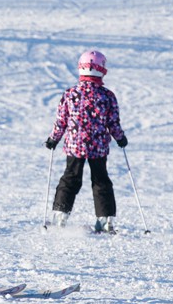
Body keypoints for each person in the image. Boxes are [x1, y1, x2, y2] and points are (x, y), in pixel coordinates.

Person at [45, 50, 128, 234]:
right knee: (101, 181)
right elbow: (112, 122)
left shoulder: (70, 94)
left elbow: (61, 121)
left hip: (75, 147)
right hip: (98, 148)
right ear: (102, 70)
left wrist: (53, 139)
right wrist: (120, 137)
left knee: (70, 179)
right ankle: (104, 220)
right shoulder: (107, 96)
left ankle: (60, 216)